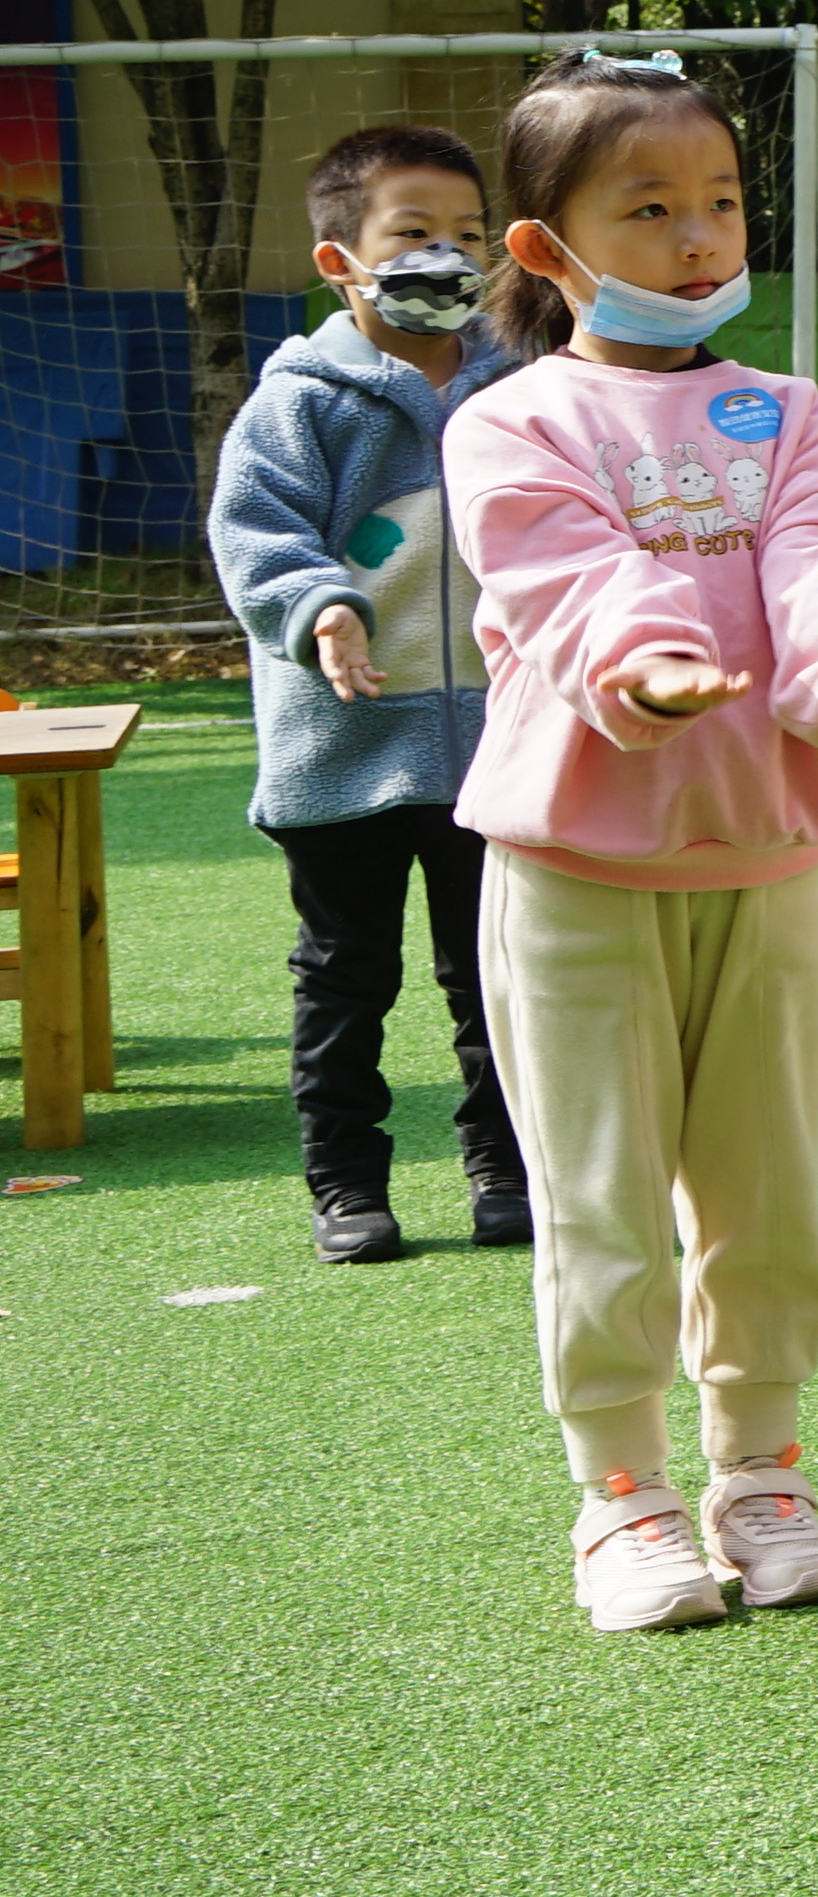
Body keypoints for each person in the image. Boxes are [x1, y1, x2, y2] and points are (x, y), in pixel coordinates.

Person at [448, 50, 818, 1632]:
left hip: (769, 856)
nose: (700, 237)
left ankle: (763, 1471)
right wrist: (649, 667)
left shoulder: (787, 414)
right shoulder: (514, 422)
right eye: (652, 208)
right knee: (602, 1199)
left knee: (769, 1200)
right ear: (548, 248)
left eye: (723, 201)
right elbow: (565, 581)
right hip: (574, 869)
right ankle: (622, 1497)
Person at [205, 122, 526, 1267]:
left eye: (466, 234)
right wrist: (321, 608)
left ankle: (504, 1165)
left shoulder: (522, 379)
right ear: (342, 261)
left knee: (495, 970)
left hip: (500, 743)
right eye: (414, 234)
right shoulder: (303, 400)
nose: (447, 255)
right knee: (347, 977)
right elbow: (256, 529)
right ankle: (347, 1184)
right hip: (341, 748)